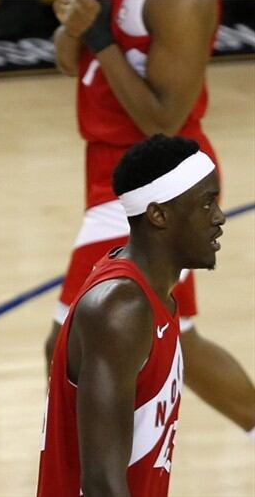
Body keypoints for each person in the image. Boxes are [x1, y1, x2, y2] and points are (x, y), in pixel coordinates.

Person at [47, 0, 255, 434]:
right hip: (110, 169)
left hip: (158, 182)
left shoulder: (181, 2)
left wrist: (101, 37)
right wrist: (75, 27)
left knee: (75, 344)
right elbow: (67, 62)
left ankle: (103, 477)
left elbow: (164, 120)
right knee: (182, 342)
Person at [38, 134, 226, 495]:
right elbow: (102, 484)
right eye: (205, 204)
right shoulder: (121, 310)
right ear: (158, 214)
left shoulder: (153, 297)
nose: (219, 217)